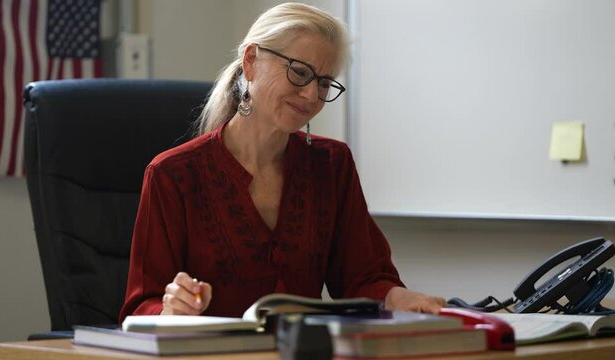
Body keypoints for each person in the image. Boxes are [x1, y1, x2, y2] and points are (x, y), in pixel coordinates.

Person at [119, 2, 445, 321]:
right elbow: (140, 307)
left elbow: (362, 278)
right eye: (299, 72)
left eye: (324, 83)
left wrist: (399, 297)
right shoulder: (173, 175)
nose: (311, 96)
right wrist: (172, 310)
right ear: (251, 61)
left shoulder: (332, 165)